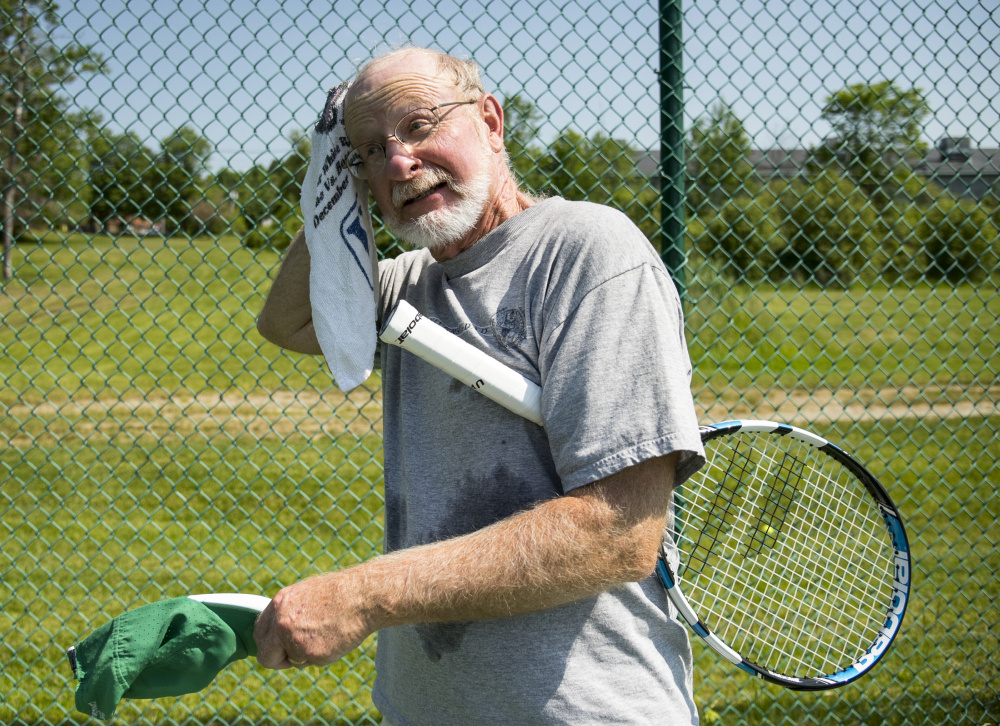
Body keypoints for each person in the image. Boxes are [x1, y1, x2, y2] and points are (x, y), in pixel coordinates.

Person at [254, 46, 706, 726]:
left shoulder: (588, 252)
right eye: (371, 151)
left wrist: (367, 594)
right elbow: (288, 320)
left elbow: (620, 530)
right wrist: (329, 191)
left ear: (491, 122)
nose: (401, 161)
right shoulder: (411, 282)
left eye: (421, 124)